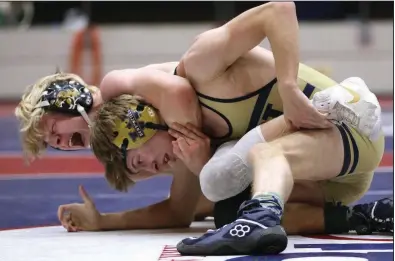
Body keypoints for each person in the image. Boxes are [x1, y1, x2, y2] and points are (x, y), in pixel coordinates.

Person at [15, 1, 386, 243]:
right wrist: (104, 221)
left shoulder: (196, 68)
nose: (60, 145)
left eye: (53, 132)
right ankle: (365, 217)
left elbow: (278, 9)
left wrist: (288, 87)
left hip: (344, 126)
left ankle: (260, 218)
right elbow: (181, 210)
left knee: (232, 175)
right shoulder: (173, 139)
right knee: (223, 204)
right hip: (332, 182)